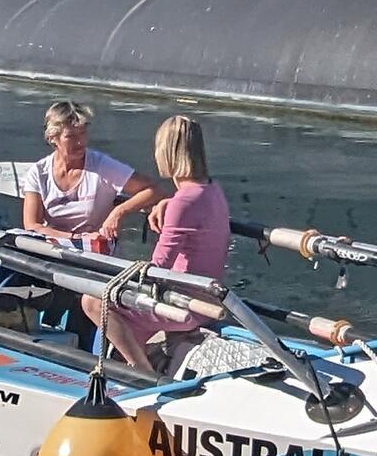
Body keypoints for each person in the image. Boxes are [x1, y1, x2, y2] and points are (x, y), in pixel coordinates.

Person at [82, 116, 232, 374]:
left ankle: (142, 371)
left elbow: (157, 269)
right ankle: (134, 359)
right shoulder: (212, 189)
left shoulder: (182, 203)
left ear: (167, 152)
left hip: (184, 305)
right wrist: (167, 202)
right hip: (207, 296)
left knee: (92, 300)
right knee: (128, 318)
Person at [18, 99, 161, 255]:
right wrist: (75, 238)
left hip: (97, 252)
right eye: (71, 136)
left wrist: (119, 212)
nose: (80, 142)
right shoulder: (38, 173)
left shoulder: (102, 166)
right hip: (54, 251)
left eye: (83, 133)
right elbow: (32, 226)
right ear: (53, 138)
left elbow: (153, 190)